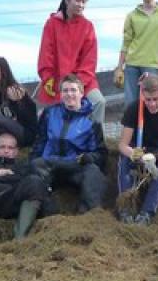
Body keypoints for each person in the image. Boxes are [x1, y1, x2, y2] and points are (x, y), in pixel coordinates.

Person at [32, 74, 107, 213]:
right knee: (34, 168)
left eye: (73, 90)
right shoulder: (49, 113)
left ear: (81, 93)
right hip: (50, 165)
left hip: (74, 166)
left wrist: (89, 157)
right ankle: (46, 213)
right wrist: (33, 159)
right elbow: (40, 140)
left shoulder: (92, 121)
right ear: (60, 94)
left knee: (93, 172)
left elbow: (101, 153)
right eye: (65, 90)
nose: (69, 94)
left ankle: (89, 214)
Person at [116, 73, 158, 225]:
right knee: (124, 162)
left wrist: (156, 157)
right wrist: (132, 153)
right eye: (147, 100)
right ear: (143, 96)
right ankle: (125, 210)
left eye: (155, 99)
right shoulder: (134, 109)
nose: (151, 104)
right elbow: (122, 145)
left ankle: (147, 212)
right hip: (137, 149)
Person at [36, 0, 106, 125]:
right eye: (78, 0)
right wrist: (48, 78)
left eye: (84, 2)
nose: (81, 5)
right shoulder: (51, 24)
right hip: (56, 81)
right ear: (67, 0)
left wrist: (77, 84)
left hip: (83, 81)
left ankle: (97, 138)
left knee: (99, 101)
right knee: (47, 114)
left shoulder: (88, 26)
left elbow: (90, 60)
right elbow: (46, 53)